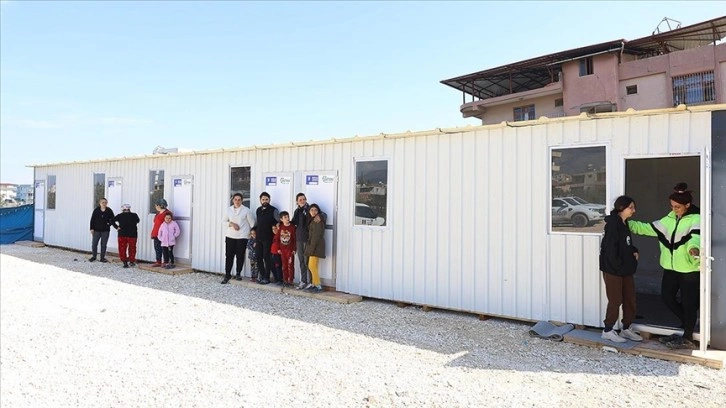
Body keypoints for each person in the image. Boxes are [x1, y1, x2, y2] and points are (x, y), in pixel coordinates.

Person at [628, 182, 701, 350]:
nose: (674, 209)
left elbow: (696, 238)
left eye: (677, 207)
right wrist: (625, 222)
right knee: (667, 297)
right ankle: (688, 323)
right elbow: (647, 228)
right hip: (670, 268)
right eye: (672, 206)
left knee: (689, 302)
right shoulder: (668, 219)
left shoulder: (697, 219)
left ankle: (688, 336)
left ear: (687, 205)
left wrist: (694, 250)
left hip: (689, 269)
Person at [599, 196, 642, 343]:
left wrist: (633, 250)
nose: (633, 210)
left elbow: (625, 244)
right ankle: (608, 330)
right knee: (615, 300)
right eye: (631, 207)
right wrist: (617, 266)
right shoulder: (613, 224)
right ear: (621, 208)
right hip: (613, 269)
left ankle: (626, 328)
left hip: (625, 269)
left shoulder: (624, 223)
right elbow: (610, 249)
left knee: (630, 298)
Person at [222, 193, 256, 284]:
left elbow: (252, 223)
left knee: (240, 255)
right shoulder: (228, 210)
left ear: (242, 201)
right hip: (230, 236)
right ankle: (227, 274)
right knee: (229, 256)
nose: (237, 201)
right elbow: (223, 221)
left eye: (239, 200)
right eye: (235, 199)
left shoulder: (246, 210)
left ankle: (238, 273)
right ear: (233, 200)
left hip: (242, 236)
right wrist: (231, 224)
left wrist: (251, 234)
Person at [255, 192, 279, 285]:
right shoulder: (258, 210)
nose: (265, 201)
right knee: (258, 257)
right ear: (260, 200)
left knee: (267, 258)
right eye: (263, 199)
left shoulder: (274, 210)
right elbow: (258, 223)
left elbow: (278, 222)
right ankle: (261, 275)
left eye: (266, 199)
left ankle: (267, 277)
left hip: (268, 238)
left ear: (269, 200)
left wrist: (274, 226)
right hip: (258, 237)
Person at [304, 204, 325, 293]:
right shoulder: (312, 220)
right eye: (311, 210)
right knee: (313, 265)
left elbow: (315, 236)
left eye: (315, 210)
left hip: (315, 246)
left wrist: (311, 248)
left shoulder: (317, 221)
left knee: (312, 266)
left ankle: (318, 285)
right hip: (315, 245)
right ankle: (314, 283)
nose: (313, 212)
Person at [112, 203, 140, 268]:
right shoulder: (134, 215)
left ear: (123, 209)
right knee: (132, 248)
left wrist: (116, 227)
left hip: (122, 234)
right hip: (132, 234)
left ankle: (125, 262)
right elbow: (138, 221)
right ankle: (131, 261)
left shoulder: (120, 215)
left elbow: (111, 220)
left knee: (122, 248)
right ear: (129, 209)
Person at [89, 197, 115, 263]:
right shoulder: (96, 210)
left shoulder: (109, 210)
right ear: (100, 203)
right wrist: (91, 228)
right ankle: (94, 256)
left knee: (103, 245)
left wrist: (109, 224)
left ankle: (102, 258)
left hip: (105, 231)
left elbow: (113, 219)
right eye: (102, 202)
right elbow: (92, 220)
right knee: (94, 244)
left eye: (105, 202)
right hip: (96, 230)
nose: (104, 204)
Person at [277, 211, 297, 287]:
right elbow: (278, 238)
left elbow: (294, 239)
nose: (287, 218)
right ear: (281, 219)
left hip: (290, 249)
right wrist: (278, 248)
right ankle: (285, 279)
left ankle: (291, 280)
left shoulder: (292, 227)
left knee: (290, 265)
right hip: (282, 249)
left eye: (288, 216)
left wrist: (294, 249)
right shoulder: (280, 227)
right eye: (285, 217)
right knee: (284, 265)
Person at [151, 199, 172, 267]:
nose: (155, 207)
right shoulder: (158, 213)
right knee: (157, 248)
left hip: (164, 234)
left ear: (159, 205)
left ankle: (166, 262)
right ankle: (158, 261)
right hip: (156, 233)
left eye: (156, 205)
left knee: (165, 248)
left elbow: (169, 223)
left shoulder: (167, 213)